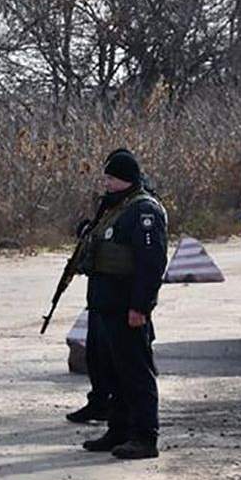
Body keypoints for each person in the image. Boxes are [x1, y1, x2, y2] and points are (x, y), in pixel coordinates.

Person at [76, 149, 168, 460]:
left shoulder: (143, 211)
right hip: (105, 306)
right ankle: (119, 429)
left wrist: (140, 307)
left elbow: (151, 263)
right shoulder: (114, 208)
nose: (107, 183)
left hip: (127, 307)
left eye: (111, 178)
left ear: (126, 178)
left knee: (135, 373)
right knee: (111, 371)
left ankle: (144, 436)